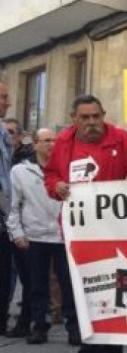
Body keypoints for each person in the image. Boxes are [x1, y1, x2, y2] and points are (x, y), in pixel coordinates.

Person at [46, 94, 127, 353]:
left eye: (96, 116)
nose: (92, 123)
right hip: (77, 232)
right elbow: (51, 176)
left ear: (103, 115)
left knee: (109, 291)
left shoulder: (122, 140)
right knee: (77, 292)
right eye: (85, 118)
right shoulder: (64, 142)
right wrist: (58, 187)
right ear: (74, 119)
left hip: (112, 231)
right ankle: (87, 350)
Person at [6, 128, 78, 345]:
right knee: (36, 285)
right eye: (46, 141)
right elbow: (13, 205)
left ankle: (73, 326)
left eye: (54, 140)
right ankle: (39, 325)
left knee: (68, 284)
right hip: (34, 236)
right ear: (35, 144)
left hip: (63, 236)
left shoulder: (68, 169)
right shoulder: (20, 171)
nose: (51, 145)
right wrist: (17, 232)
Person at [0, 82, 30, 338]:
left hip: (4, 211)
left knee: (4, 269)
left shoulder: (2, 132)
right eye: (3, 97)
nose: (8, 102)